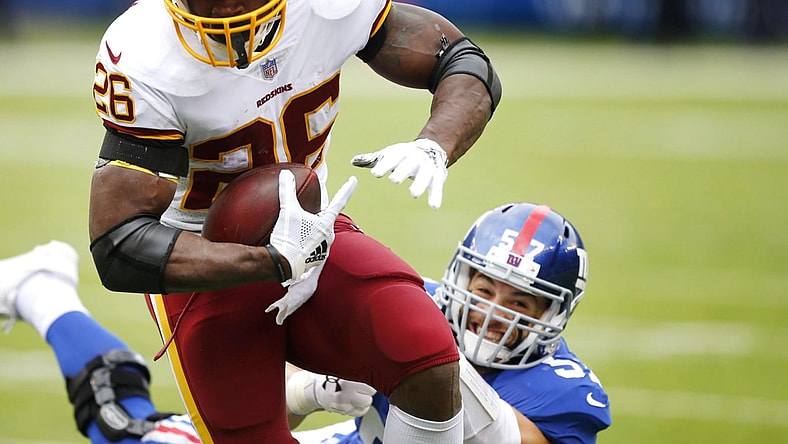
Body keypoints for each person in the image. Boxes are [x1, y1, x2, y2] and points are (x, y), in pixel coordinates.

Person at [88, 0, 501, 442]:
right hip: (197, 257)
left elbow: (460, 59)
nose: (224, 8)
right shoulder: (145, 51)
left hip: (313, 231)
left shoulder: (326, 8)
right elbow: (119, 243)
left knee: (424, 353)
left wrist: (434, 144)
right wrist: (271, 262)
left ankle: (300, 391)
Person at [290, 202, 612, 443]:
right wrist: (310, 391)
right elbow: (266, 401)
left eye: (518, 302)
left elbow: (507, 439)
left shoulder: (566, 389)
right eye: (484, 290)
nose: (492, 312)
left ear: (550, 313)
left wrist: (416, 347)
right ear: (462, 279)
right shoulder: (416, 303)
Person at [0, 240, 376, 444]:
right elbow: (265, 392)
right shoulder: (418, 306)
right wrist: (308, 390)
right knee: (125, 426)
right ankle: (41, 290)